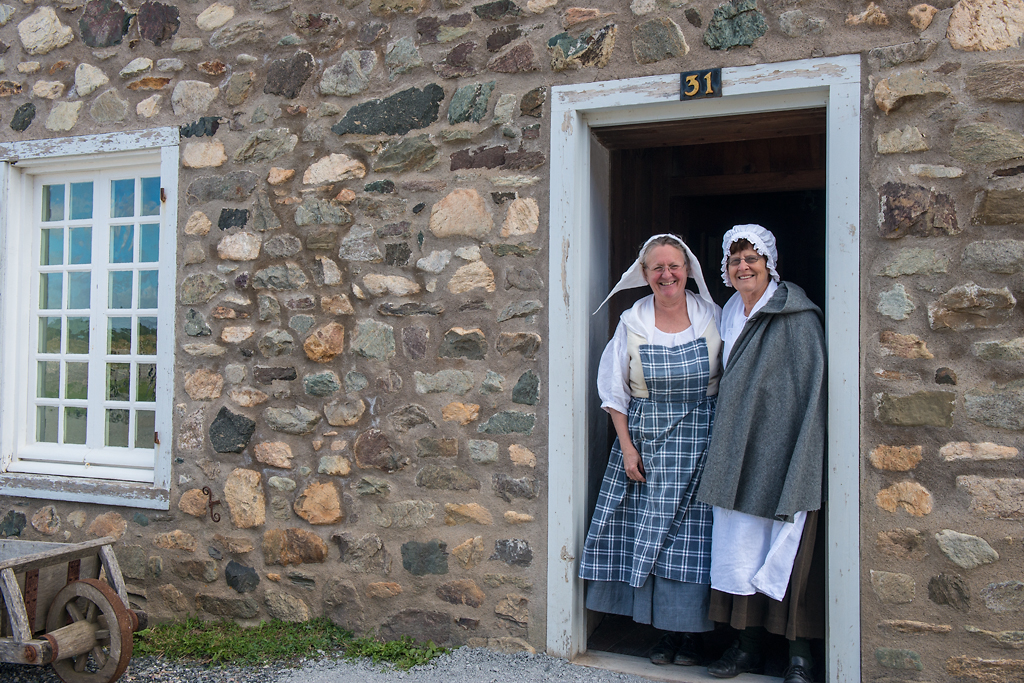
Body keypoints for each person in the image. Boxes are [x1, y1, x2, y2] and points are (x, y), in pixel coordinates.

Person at [580, 234, 723, 666]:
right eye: (657, 268)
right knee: (652, 538)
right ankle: (662, 633)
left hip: (702, 444)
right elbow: (614, 391)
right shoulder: (633, 321)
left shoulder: (713, 316)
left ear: (688, 270)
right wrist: (626, 448)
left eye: (674, 266)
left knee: (694, 542)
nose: (667, 275)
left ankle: (693, 636)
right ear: (644, 275)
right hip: (648, 446)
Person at [696, 225, 826, 683]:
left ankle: (800, 654)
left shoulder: (797, 316)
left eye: (751, 258)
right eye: (734, 261)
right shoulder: (729, 312)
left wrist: (799, 449)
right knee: (739, 547)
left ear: (770, 263)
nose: (742, 267)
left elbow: (810, 390)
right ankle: (746, 646)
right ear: (726, 271)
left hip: (783, 446)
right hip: (737, 448)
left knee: (786, 546)